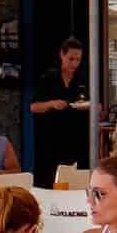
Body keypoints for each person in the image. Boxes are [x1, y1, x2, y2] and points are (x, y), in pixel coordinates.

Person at [31, 38, 91, 187]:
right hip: (51, 139)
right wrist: (52, 104)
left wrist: (89, 106)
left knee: (75, 180)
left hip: (78, 138)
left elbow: (98, 106)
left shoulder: (83, 78)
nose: (74, 63)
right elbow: (34, 107)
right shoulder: (48, 78)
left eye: (78, 59)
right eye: (71, 59)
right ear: (62, 55)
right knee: (50, 180)